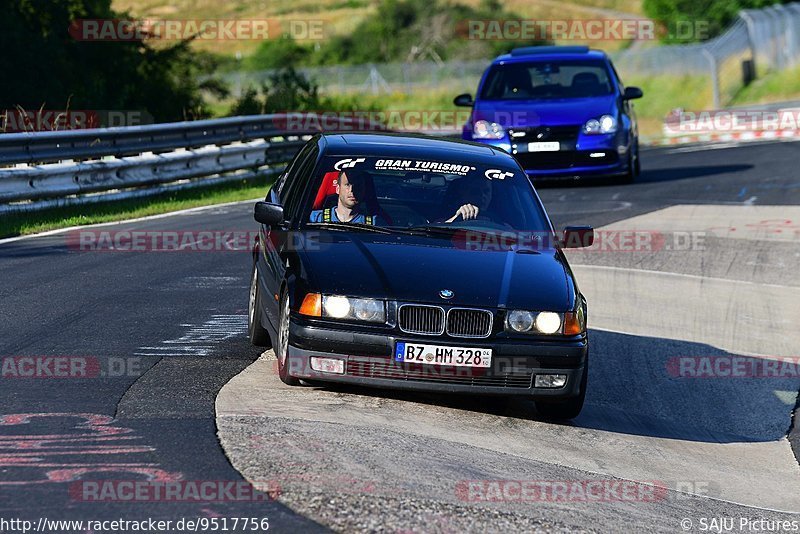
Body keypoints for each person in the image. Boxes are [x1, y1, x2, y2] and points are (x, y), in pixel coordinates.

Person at [309, 170, 384, 225]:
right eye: (347, 185)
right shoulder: (315, 219)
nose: (352, 190)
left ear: (364, 190)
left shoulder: (375, 224)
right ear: (337, 189)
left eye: (357, 186)